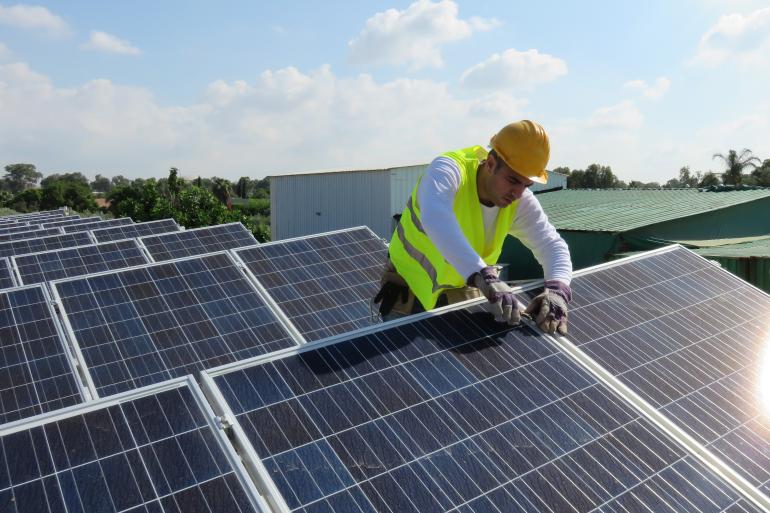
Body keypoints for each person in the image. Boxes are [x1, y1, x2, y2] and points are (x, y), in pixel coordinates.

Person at [374, 120, 572, 335]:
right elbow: (436, 218)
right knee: (402, 366)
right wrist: (484, 276)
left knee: (455, 365)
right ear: (490, 163)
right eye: (513, 179)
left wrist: (558, 290)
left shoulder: (519, 200)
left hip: (461, 292)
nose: (517, 192)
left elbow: (551, 244)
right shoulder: (447, 170)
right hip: (407, 292)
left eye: (526, 185)